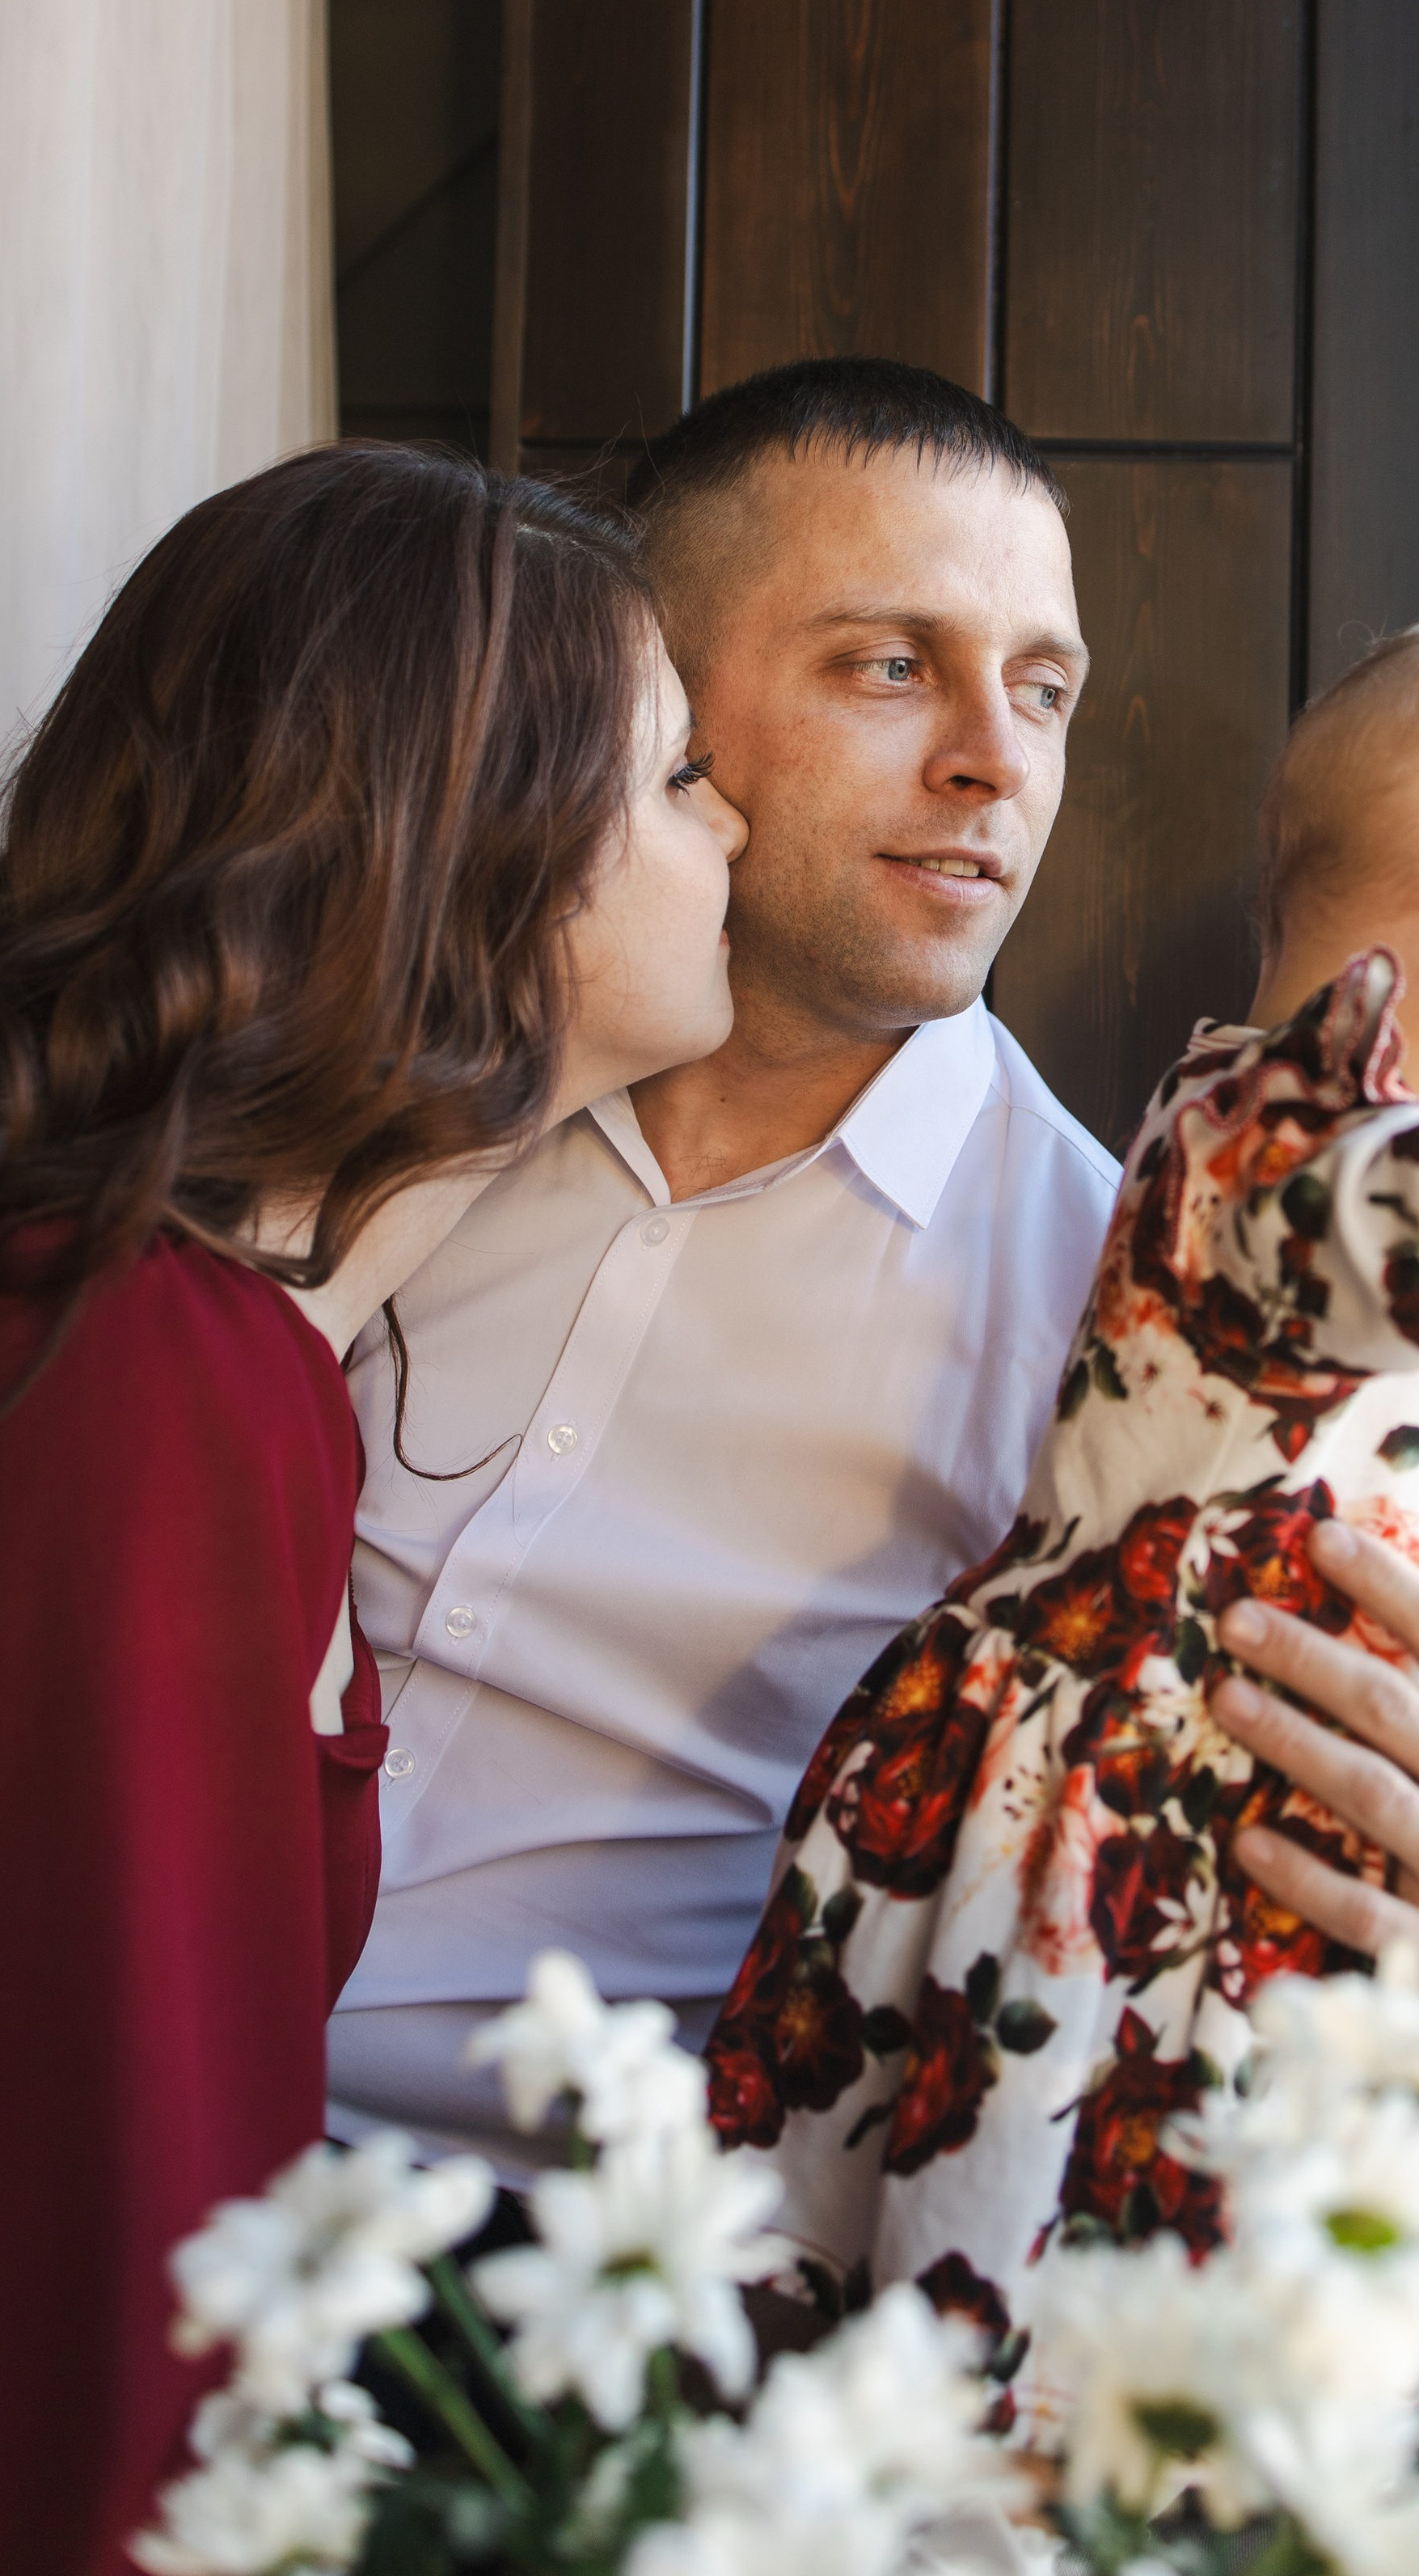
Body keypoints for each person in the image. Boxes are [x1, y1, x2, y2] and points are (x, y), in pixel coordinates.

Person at [703, 616, 1419, 2356]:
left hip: (1212, 1833)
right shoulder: (1281, 1159)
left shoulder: (1257, 1140)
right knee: (1068, 2326)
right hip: (1142, 1854)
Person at [0, 446, 745, 2576]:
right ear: (477, 845)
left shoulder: (244, 1367)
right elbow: (90, 2229)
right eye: (679, 778)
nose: (735, 829)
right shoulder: (123, 1375)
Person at [325, 363, 1120, 2162]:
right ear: (654, 693)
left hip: (562, 2253)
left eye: (1043, 688)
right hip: (103, 2061)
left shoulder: (1101, 1307)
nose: (995, 760)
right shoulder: (382, 1065)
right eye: (889, 665)